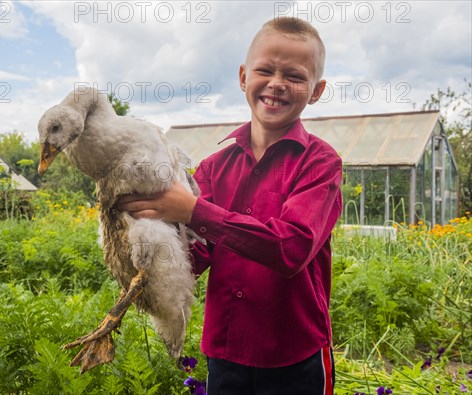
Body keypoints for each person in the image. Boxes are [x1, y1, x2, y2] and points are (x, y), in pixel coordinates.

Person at [119, 16, 342, 394]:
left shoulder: (320, 163)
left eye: (295, 75)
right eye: (265, 70)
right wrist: (140, 234)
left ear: (317, 90)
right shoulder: (211, 169)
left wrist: (192, 210)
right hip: (226, 351)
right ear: (243, 77)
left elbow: (292, 248)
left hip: (295, 354)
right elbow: (195, 256)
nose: (277, 83)